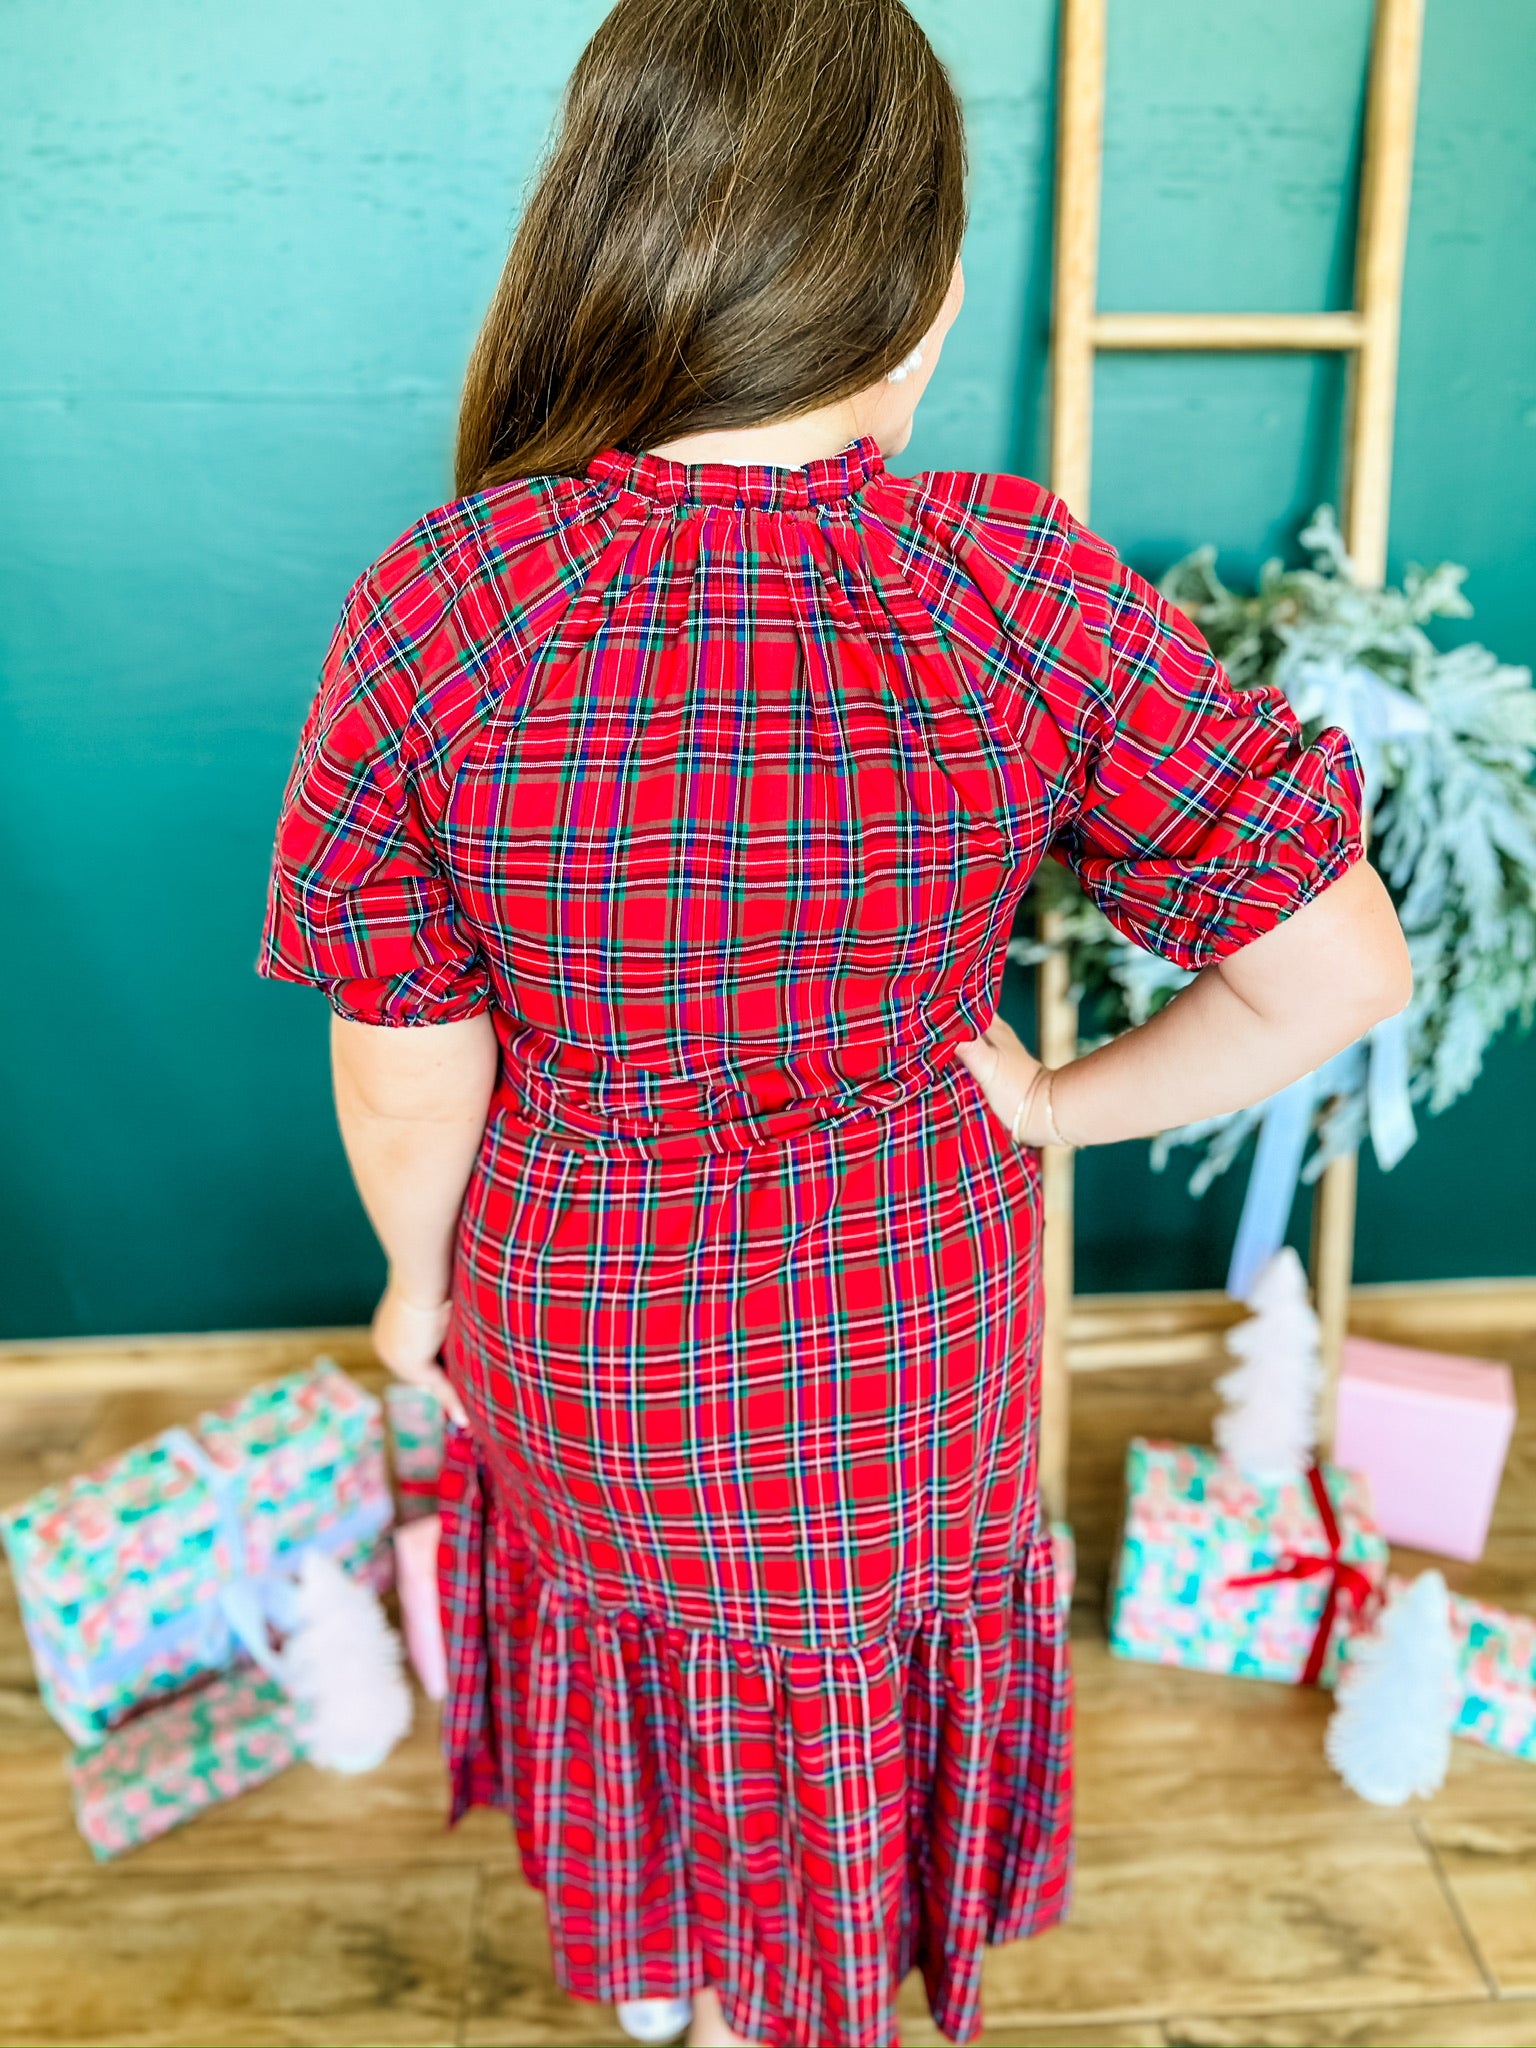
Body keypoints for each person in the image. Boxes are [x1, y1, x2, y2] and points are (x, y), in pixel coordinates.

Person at [258, 1, 1412, 2042]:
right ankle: (807, 1977)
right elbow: (1341, 972)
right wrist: (1055, 1104)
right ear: (930, 292)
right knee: (850, 1661)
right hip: (905, 1321)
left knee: (641, 1636)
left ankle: (665, 1967)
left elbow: (405, 1064)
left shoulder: (446, 599)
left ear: (597, 242)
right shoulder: (1013, 588)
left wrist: (417, 1286)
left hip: (582, 1316)